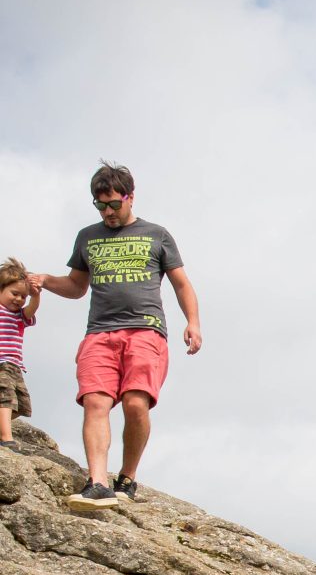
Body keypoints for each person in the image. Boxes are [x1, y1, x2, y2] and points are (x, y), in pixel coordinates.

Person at [31, 163, 202, 511]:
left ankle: (126, 477)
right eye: (100, 205)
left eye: (114, 204)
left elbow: (181, 283)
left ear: (130, 197)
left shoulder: (157, 234)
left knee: (136, 405)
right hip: (99, 333)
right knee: (95, 403)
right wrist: (46, 280)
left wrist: (193, 323)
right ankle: (97, 482)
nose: (108, 212)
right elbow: (78, 287)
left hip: (146, 330)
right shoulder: (87, 237)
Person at [0, 258, 41, 450]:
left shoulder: (19, 316)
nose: (18, 299)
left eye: (22, 297)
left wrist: (35, 296)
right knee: (5, 398)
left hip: (15, 366)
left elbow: (31, 309)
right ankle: (6, 438)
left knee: (21, 406)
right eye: (14, 294)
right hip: (1, 364)